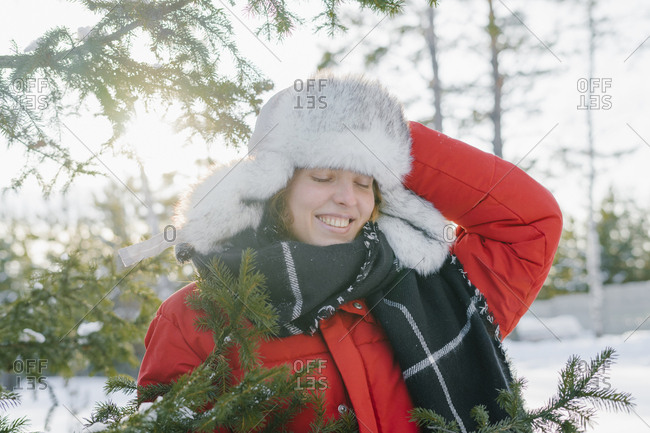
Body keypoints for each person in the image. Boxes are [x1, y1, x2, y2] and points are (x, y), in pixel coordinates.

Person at [121, 73, 562, 432]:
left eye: (364, 181)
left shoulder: (435, 288)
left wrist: (380, 132)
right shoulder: (194, 318)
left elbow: (531, 222)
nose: (347, 199)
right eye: (324, 176)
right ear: (276, 187)